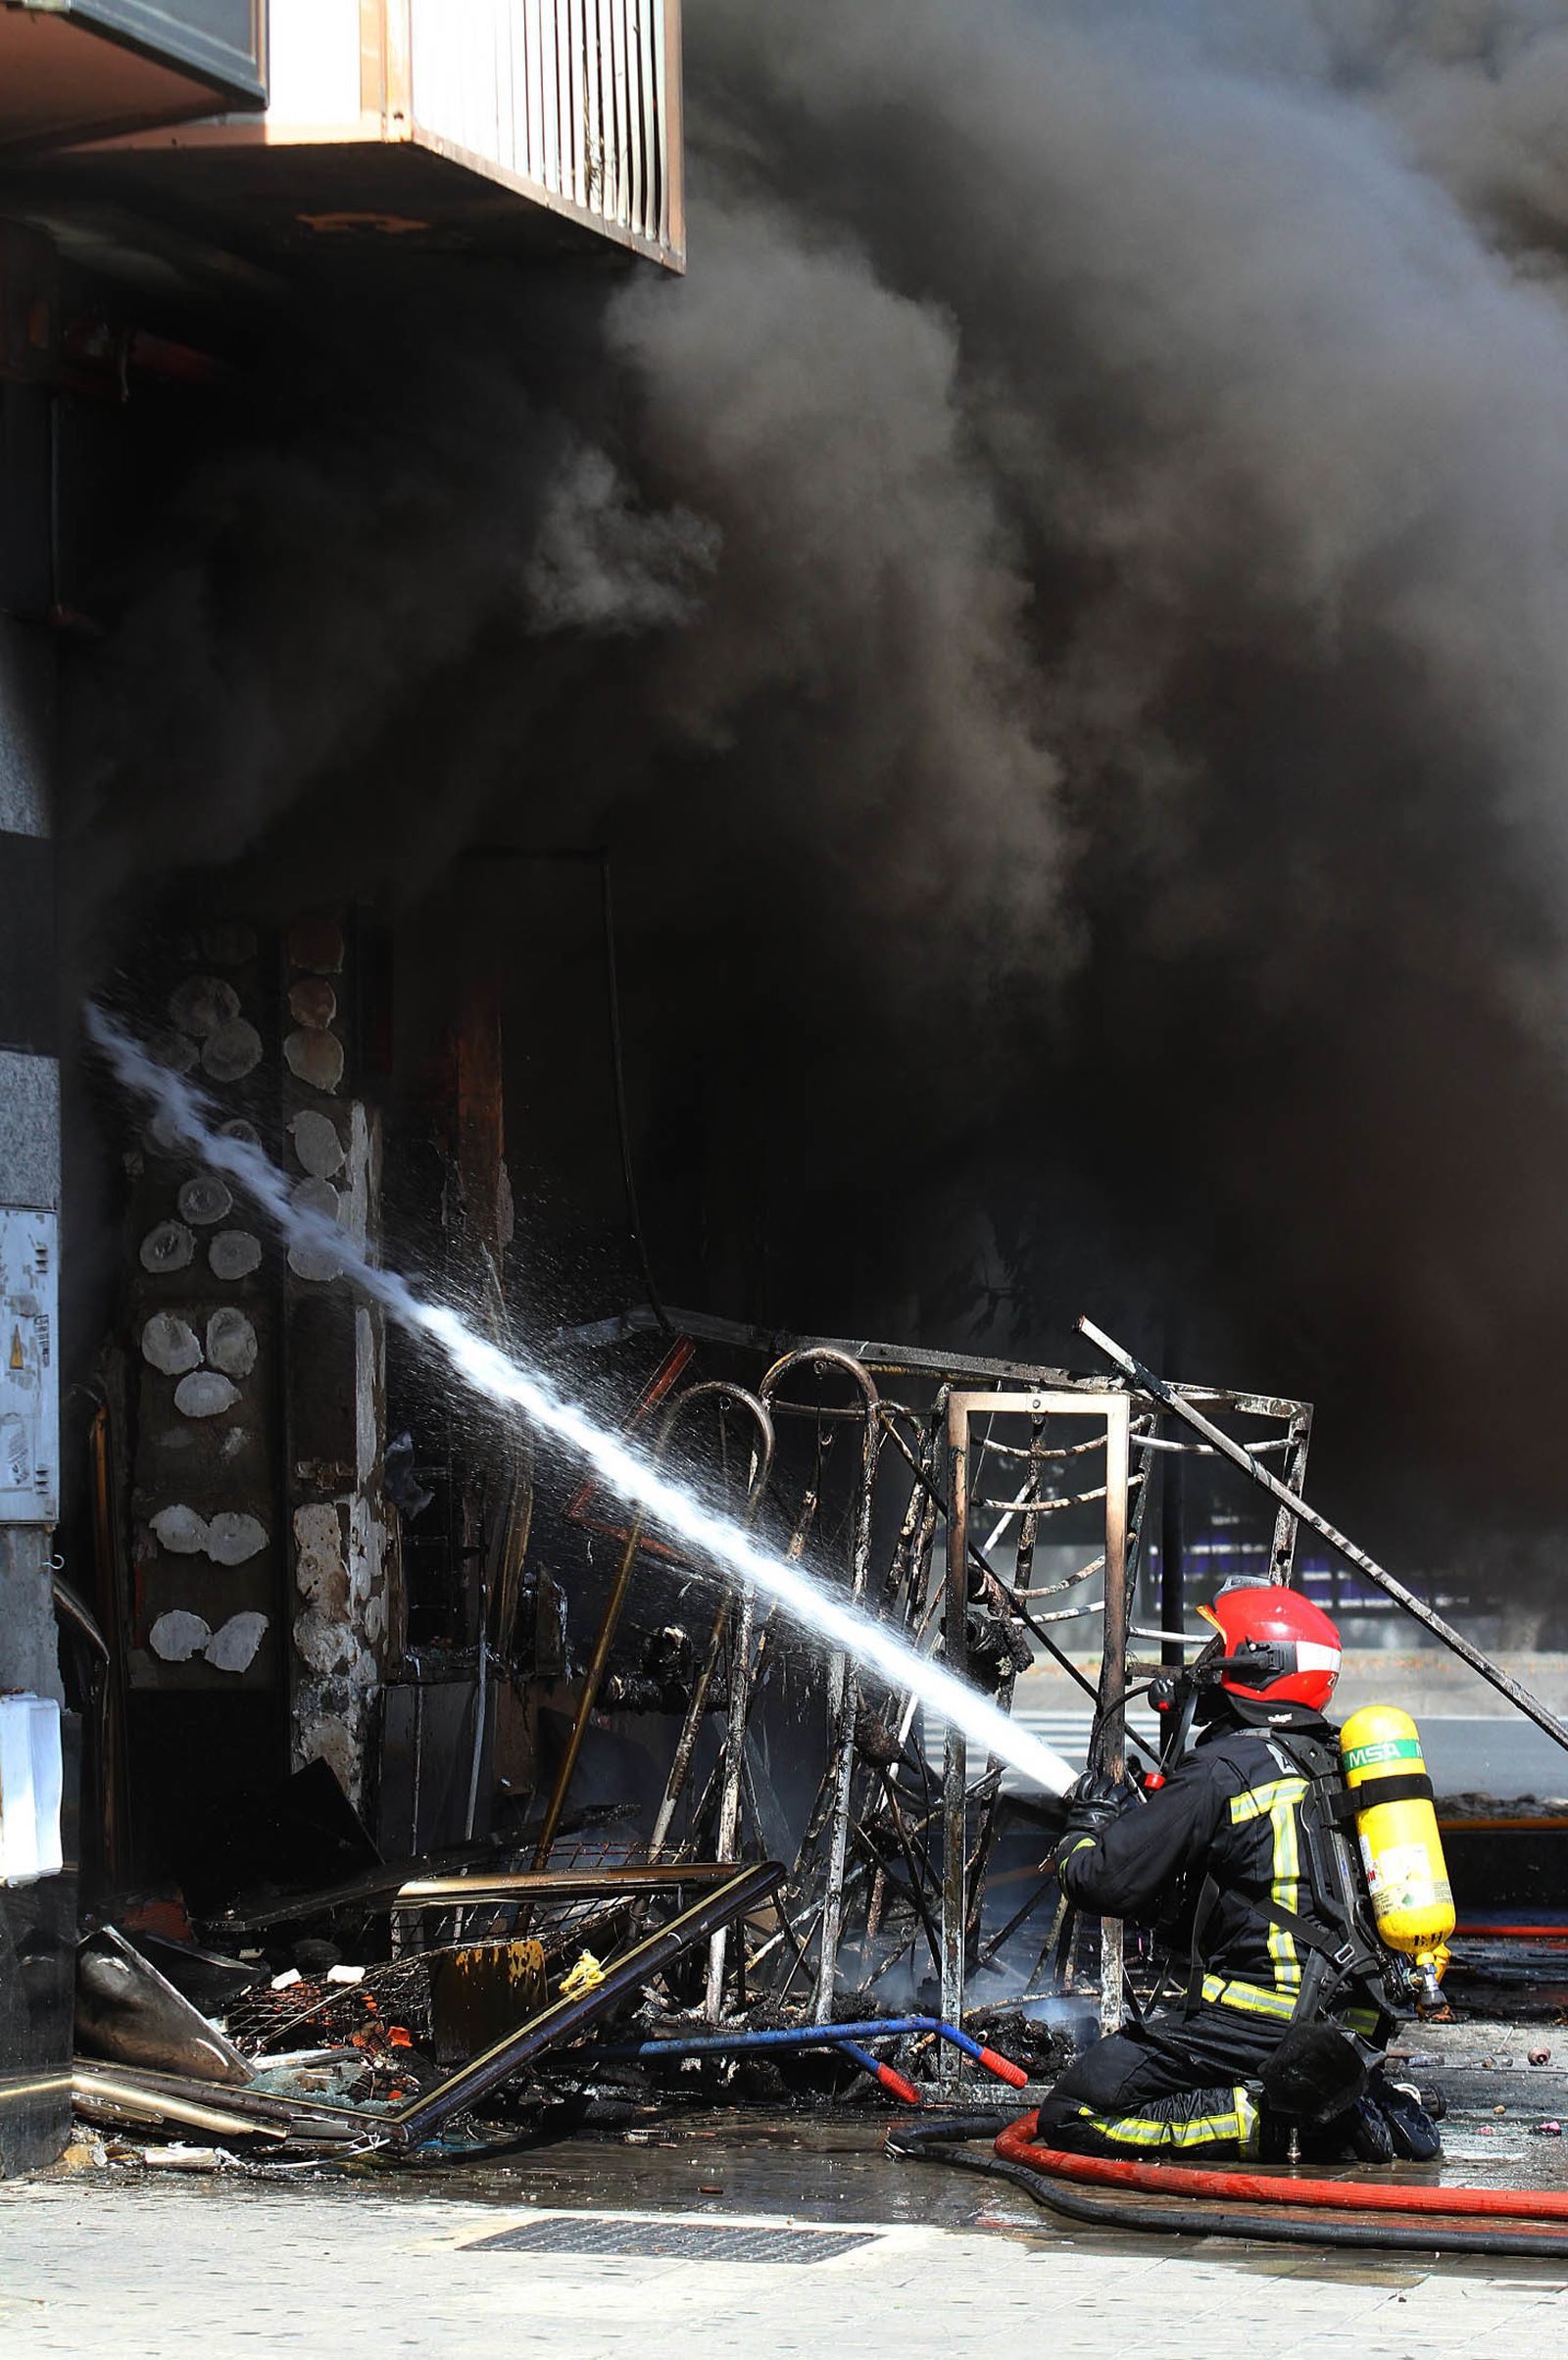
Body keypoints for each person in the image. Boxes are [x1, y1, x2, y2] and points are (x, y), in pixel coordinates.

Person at [1036, 1580, 1441, 2163]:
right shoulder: (1330, 1762)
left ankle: (1276, 2126)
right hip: (1342, 2019)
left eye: (1218, 1648)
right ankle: (1347, 2098)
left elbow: (1101, 1880)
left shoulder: (1224, 1769)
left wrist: (1084, 1830)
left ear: (1256, 1666)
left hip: (1260, 2020)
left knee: (1075, 2112)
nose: (1205, 1666)